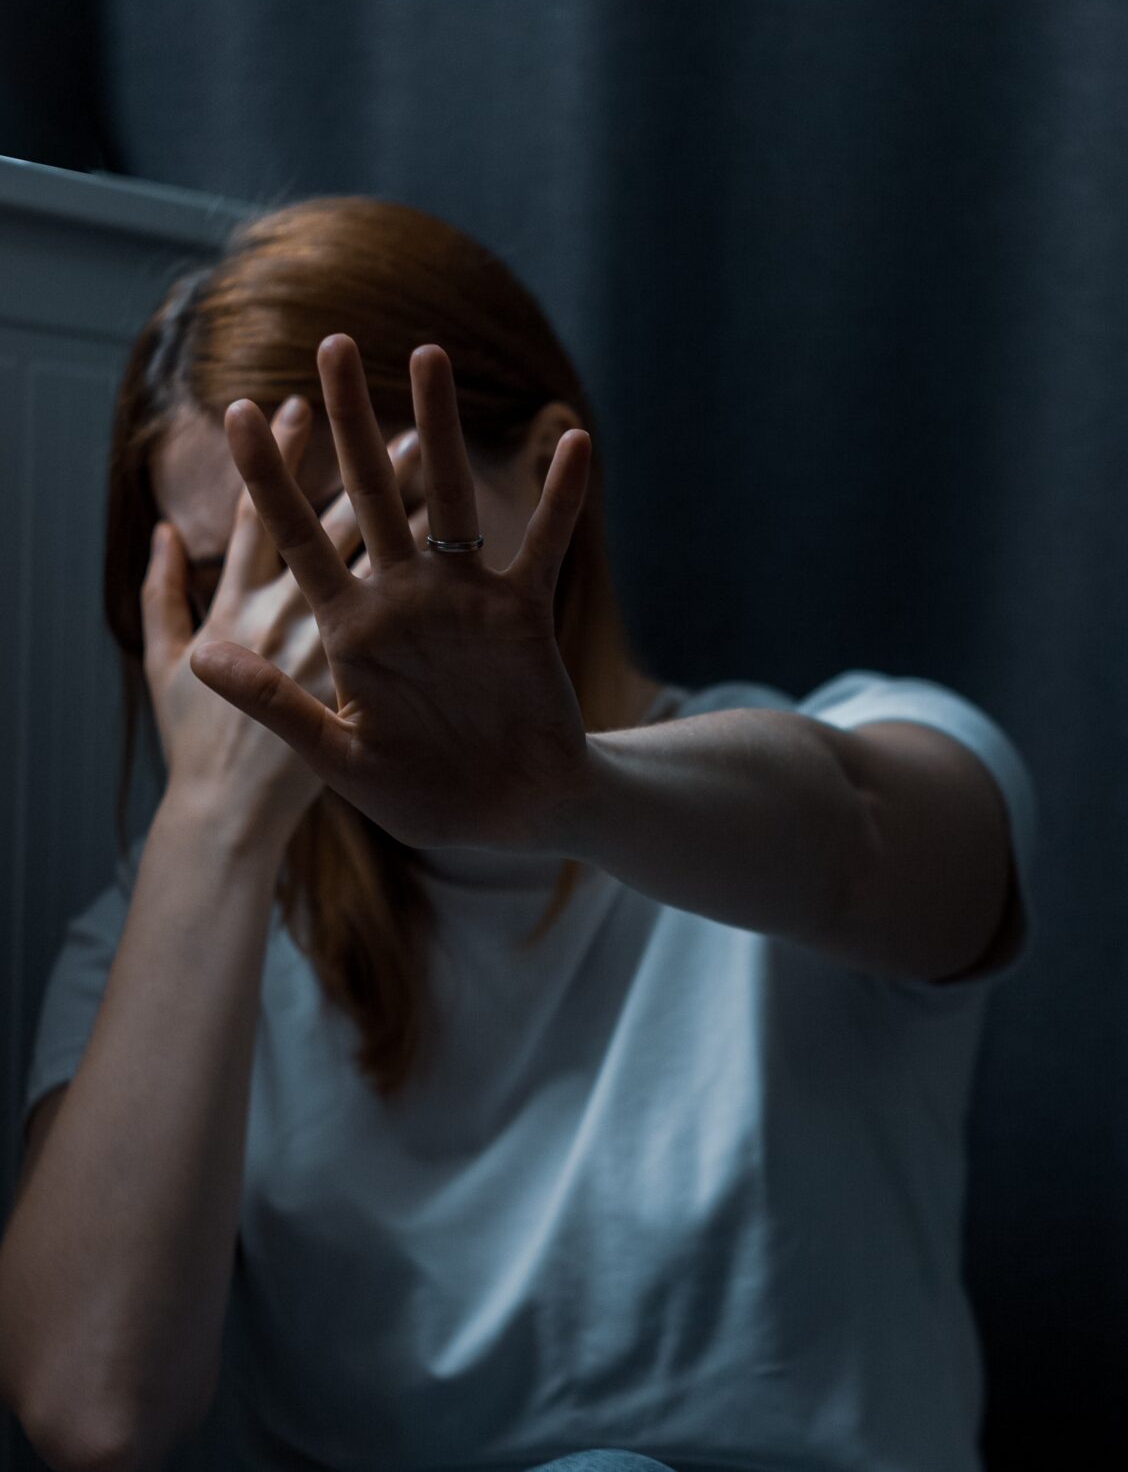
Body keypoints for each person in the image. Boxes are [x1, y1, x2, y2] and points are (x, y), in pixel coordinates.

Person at [0, 196, 1037, 1472]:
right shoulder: (167, 932)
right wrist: (212, 821)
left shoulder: (841, 765)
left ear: (548, 477)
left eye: (339, 538)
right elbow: (93, 1412)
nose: (284, 632)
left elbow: (871, 841)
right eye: (227, 585)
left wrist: (566, 793)